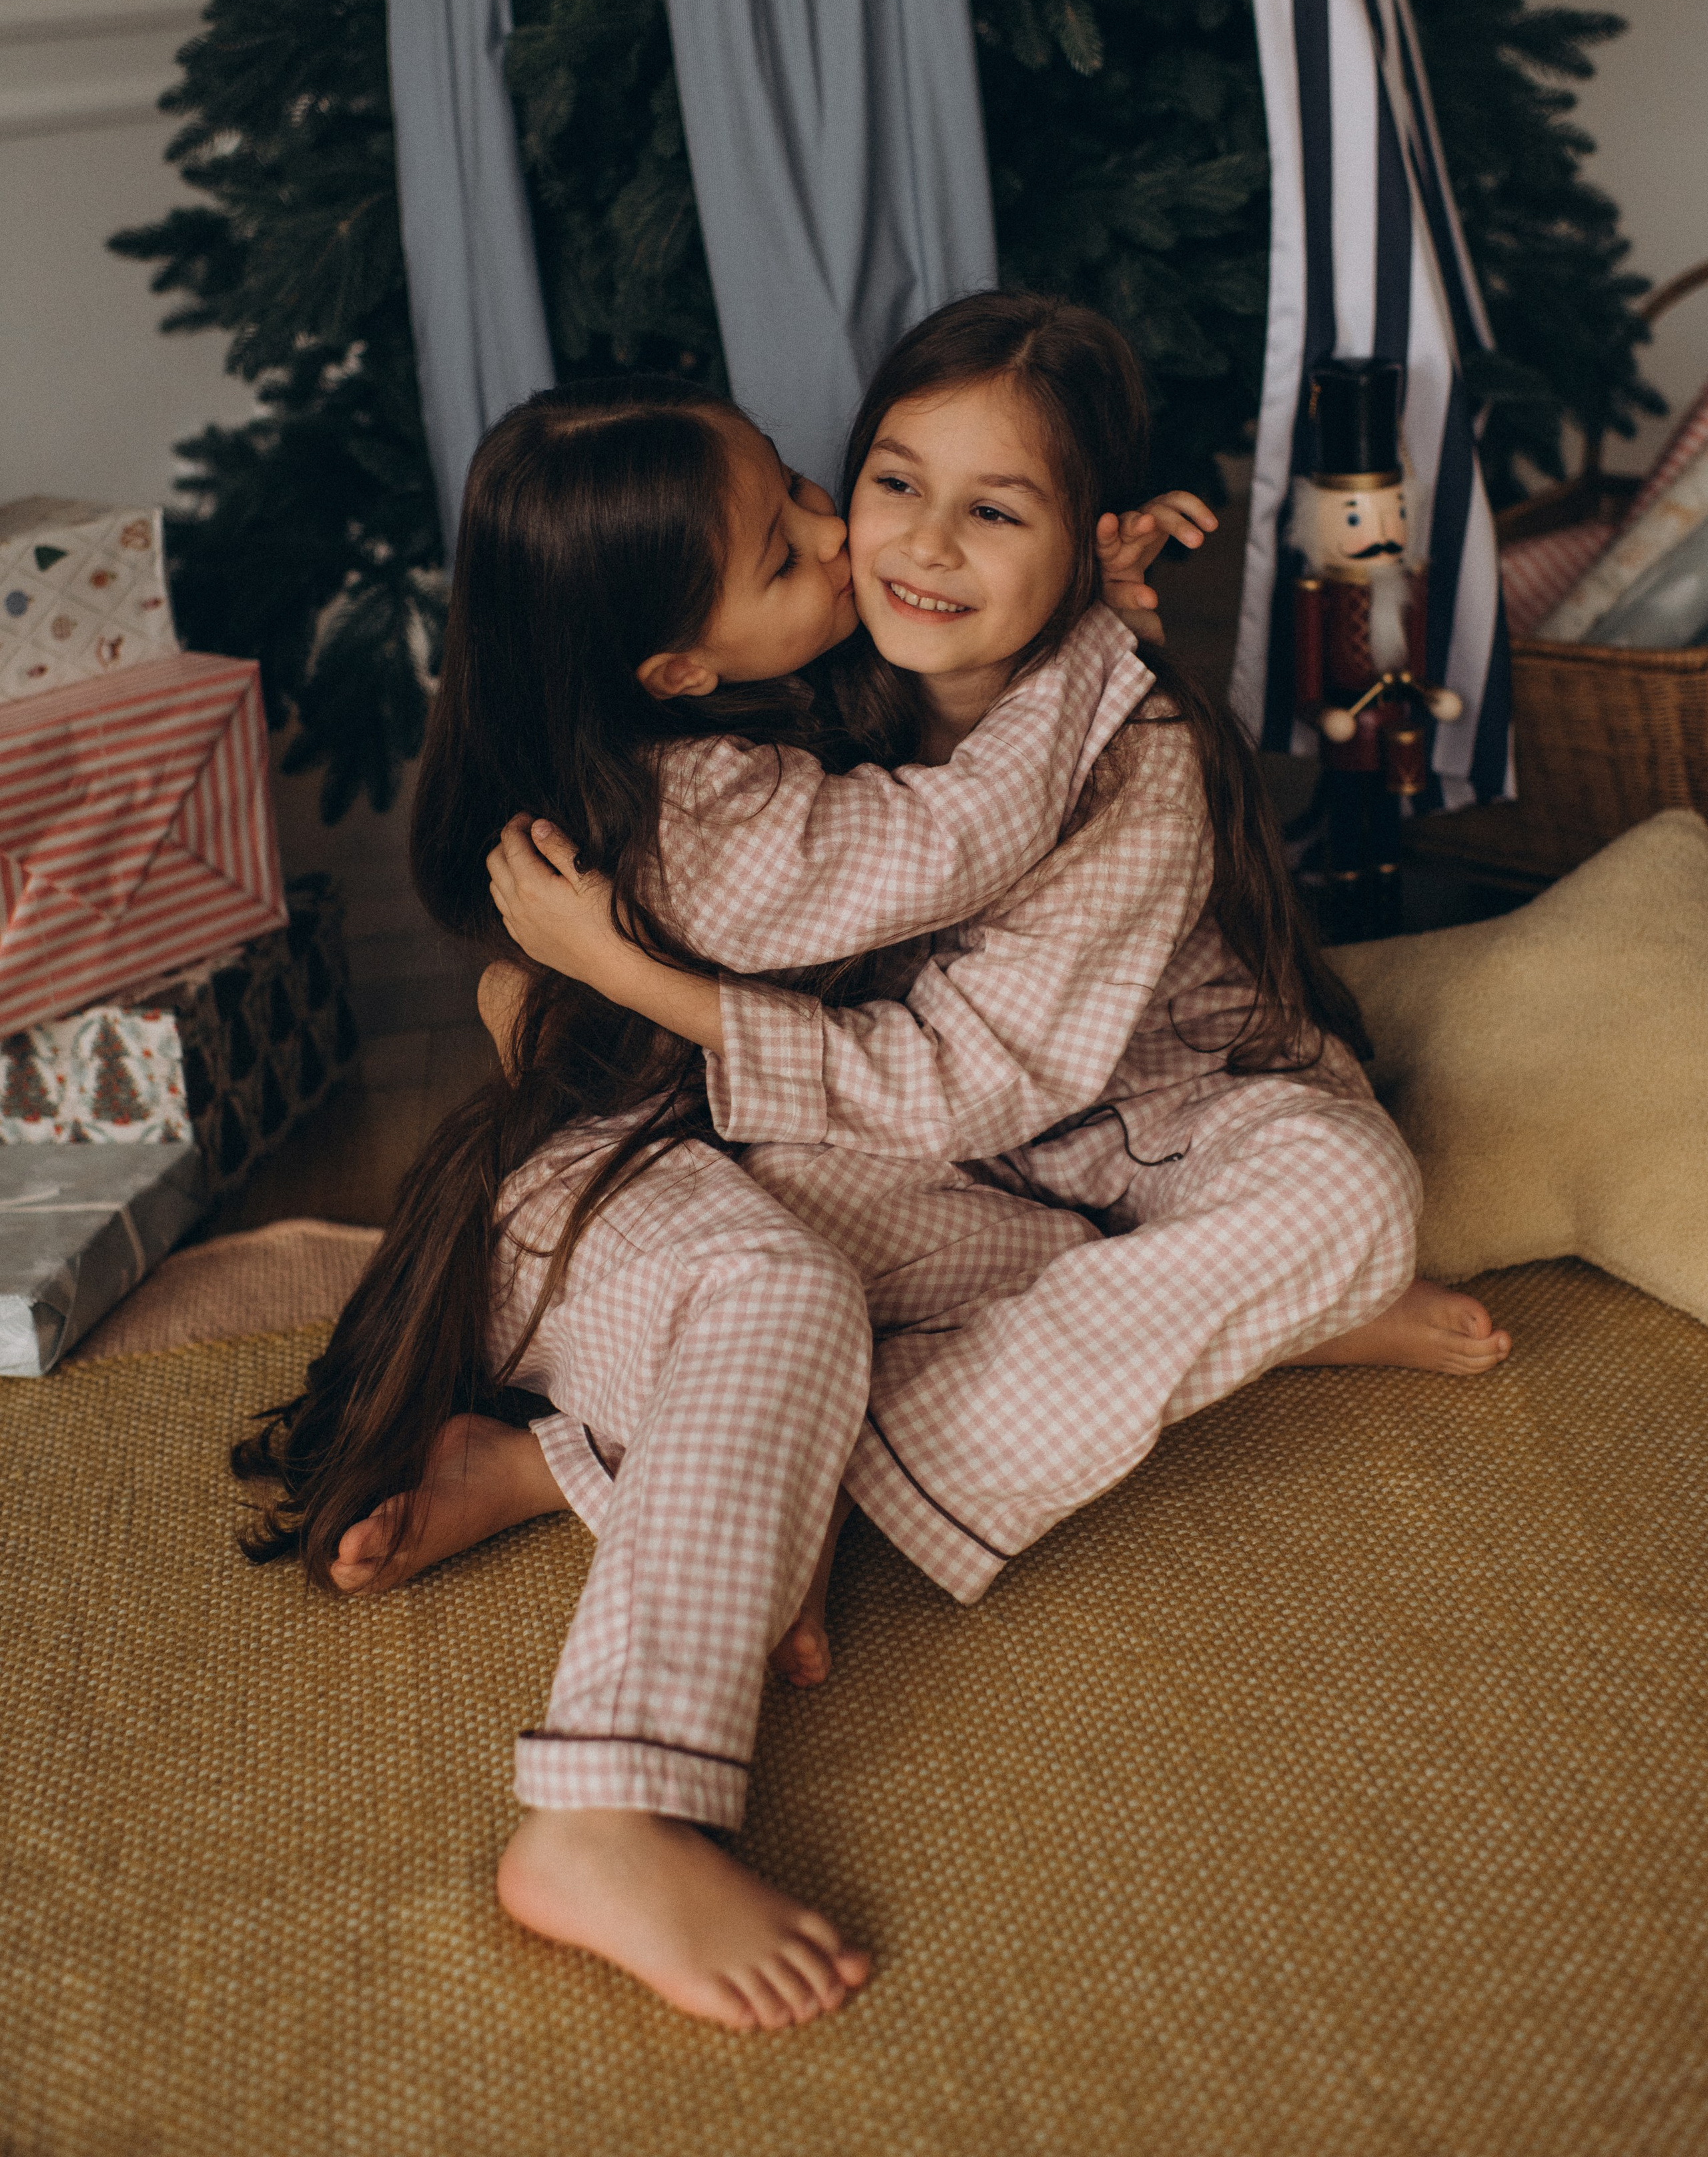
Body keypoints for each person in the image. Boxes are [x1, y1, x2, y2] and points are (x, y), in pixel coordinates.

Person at [230, 368, 1204, 2035]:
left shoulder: (778, 703)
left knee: (1037, 1255)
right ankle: (604, 1808)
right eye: (785, 546)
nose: (841, 536)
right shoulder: (701, 800)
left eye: (798, 489)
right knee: (783, 1301)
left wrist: (1072, 602)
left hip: (709, 1177)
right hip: (594, 1209)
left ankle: (557, 1461)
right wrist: (1097, 644)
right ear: (675, 667)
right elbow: (957, 835)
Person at [487, 295, 1509, 1675]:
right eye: (894, 482)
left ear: (1083, 546)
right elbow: (846, 1010)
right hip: (938, 1157)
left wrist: (620, 970)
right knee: (755, 1227)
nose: (916, 540)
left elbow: (968, 1075)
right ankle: (1224, 1329)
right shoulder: (799, 656)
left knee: (1351, 1198)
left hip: (1156, 1106)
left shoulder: (1133, 752)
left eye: (995, 513)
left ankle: (676, 1489)